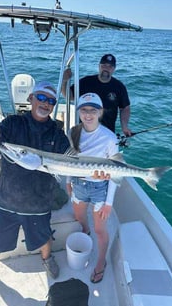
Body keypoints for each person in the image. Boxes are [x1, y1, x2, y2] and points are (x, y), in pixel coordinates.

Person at [0, 81, 70, 302]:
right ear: (30, 98)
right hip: (6, 201)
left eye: (50, 101)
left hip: (39, 203)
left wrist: (95, 173)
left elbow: (71, 165)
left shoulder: (59, 136)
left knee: (44, 239)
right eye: (41, 97)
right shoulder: (11, 124)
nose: (45, 104)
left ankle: (47, 259)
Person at [66, 92, 118, 283]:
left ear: (100, 112)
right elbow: (68, 162)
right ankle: (84, 239)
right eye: (84, 110)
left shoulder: (110, 138)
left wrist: (109, 203)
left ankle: (101, 262)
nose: (88, 115)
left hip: (99, 190)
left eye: (93, 110)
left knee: (99, 229)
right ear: (79, 111)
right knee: (80, 222)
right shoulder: (72, 132)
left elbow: (115, 173)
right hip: (78, 185)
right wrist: (68, 182)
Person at [62, 53, 132, 135]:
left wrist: (124, 126)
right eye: (104, 65)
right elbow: (69, 97)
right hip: (83, 131)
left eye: (110, 66)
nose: (106, 68)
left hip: (107, 133)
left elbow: (125, 108)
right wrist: (64, 82)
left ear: (114, 69)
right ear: (99, 66)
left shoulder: (119, 87)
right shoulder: (85, 82)